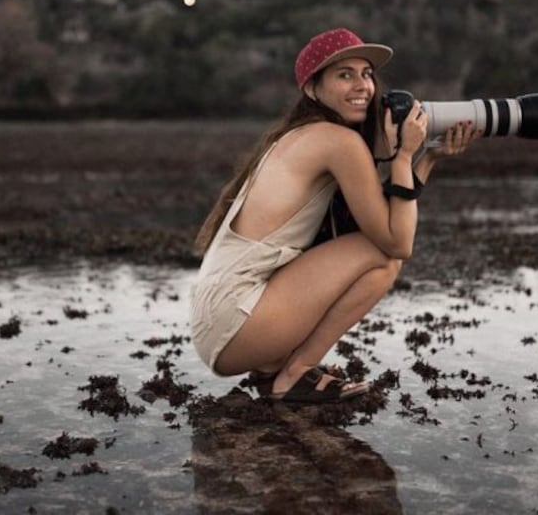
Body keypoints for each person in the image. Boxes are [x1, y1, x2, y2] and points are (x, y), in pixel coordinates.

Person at [190, 27, 475, 404]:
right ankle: (292, 375)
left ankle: (273, 369)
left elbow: (377, 222)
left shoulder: (301, 134)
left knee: (371, 248)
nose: (362, 85)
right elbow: (397, 242)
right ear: (312, 88)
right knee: (383, 259)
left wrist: (428, 158)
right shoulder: (337, 141)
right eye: (345, 75)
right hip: (236, 325)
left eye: (366, 74)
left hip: (222, 322)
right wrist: (405, 157)